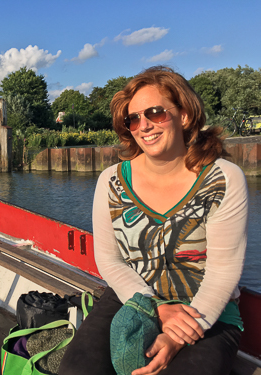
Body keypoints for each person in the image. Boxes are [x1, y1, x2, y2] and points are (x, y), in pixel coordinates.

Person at [59, 66, 248, 375]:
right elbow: (108, 259)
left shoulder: (222, 179)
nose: (143, 125)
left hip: (203, 309)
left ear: (185, 115)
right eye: (133, 119)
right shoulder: (112, 182)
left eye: (156, 113)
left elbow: (223, 273)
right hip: (132, 297)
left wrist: (176, 334)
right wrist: (156, 306)